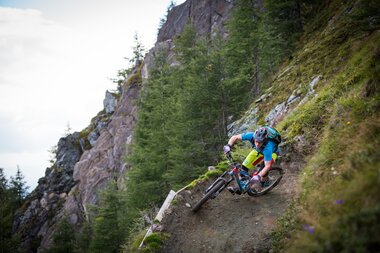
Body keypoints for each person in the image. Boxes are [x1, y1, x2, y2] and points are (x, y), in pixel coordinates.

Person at [223, 126, 280, 195]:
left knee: (263, 169)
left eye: (260, 142)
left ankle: (264, 182)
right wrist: (228, 146)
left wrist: (258, 176)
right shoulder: (251, 135)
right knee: (243, 168)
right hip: (258, 151)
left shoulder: (268, 147)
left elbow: (267, 166)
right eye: (256, 141)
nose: (257, 144)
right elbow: (235, 137)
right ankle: (242, 187)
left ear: (264, 140)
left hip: (272, 153)